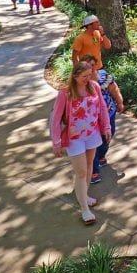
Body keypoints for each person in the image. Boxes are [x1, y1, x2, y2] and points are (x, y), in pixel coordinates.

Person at [50, 61, 112, 225]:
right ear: (75, 76)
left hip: (92, 134)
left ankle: (84, 196)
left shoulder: (94, 87)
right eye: (84, 76)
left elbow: (103, 109)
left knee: (90, 165)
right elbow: (55, 119)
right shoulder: (65, 93)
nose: (88, 78)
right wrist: (56, 142)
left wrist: (106, 127)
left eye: (90, 75)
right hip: (74, 138)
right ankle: (85, 209)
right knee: (81, 172)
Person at [81, 54, 123, 185]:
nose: (91, 68)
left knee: (108, 137)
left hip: (109, 113)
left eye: (93, 65)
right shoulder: (81, 81)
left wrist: (120, 102)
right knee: (92, 143)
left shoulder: (104, 76)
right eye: (88, 65)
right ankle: (93, 171)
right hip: (91, 119)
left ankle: (101, 155)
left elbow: (114, 89)